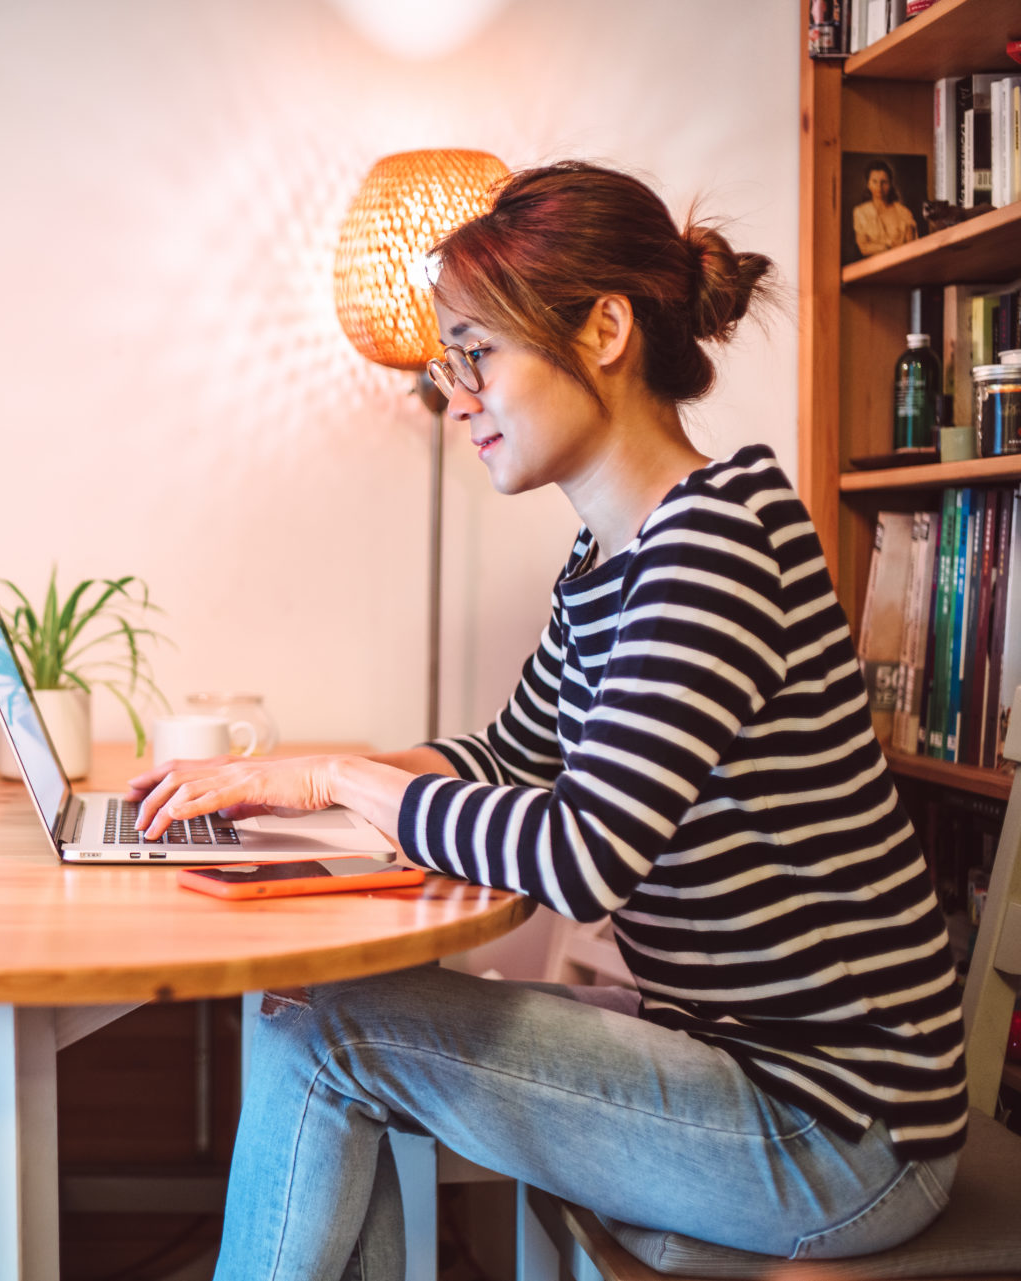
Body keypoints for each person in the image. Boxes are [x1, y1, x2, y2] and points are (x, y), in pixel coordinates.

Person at [131, 163, 967, 1277]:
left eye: (477, 354)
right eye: (451, 362)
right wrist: (289, 787)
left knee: (321, 1027)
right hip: (755, 1073)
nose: (457, 395)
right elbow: (510, 753)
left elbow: (582, 857)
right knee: (317, 1013)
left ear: (606, 329)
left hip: (839, 1132)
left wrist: (345, 784)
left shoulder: (712, 549)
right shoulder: (612, 558)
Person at [853, 160, 918, 256]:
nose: (879, 187)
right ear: (868, 184)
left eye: (884, 182)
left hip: (902, 265)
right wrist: (888, 246)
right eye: (874, 182)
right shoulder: (860, 212)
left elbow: (911, 248)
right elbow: (864, 247)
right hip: (873, 267)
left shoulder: (904, 212)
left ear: (890, 184)